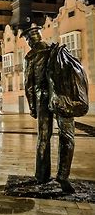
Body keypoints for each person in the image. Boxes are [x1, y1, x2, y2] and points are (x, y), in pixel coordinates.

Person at [22, 25, 75, 193]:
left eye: (28, 40)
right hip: (61, 97)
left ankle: (42, 175)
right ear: (41, 36)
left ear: (30, 40)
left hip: (42, 98)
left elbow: (29, 85)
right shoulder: (56, 50)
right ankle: (63, 176)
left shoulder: (31, 56)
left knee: (44, 137)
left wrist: (32, 107)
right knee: (67, 136)